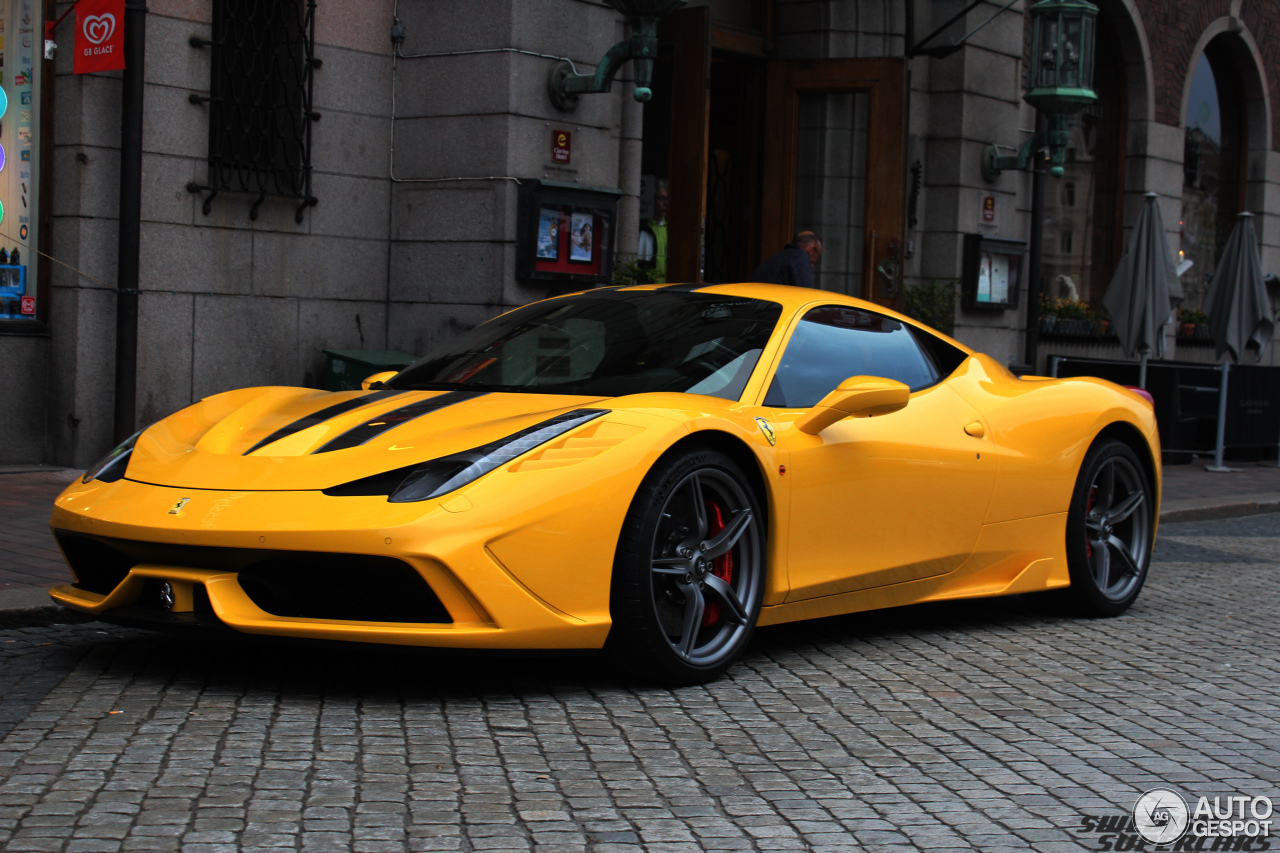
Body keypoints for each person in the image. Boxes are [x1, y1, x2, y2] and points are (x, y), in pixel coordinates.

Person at [752, 231, 822, 287]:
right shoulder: (800, 257)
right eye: (817, 257)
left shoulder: (779, 258)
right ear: (812, 250)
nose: (812, 266)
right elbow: (805, 293)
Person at [638, 178, 669, 280]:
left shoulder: (669, 228)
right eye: (661, 198)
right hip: (649, 287)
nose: (665, 204)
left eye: (667, 199)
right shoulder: (643, 227)